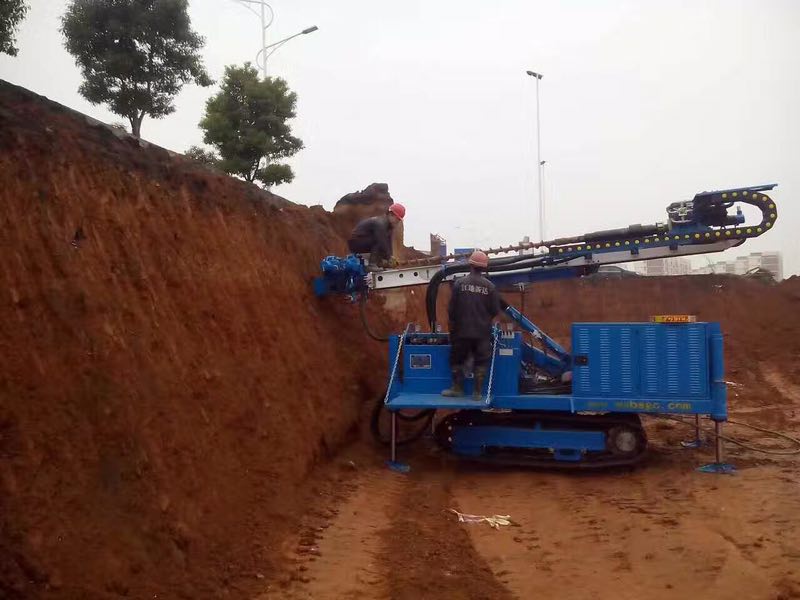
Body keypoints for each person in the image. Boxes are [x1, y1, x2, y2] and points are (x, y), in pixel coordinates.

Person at [441, 250, 502, 400]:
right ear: (484, 267)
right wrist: (484, 319)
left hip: (461, 332)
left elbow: (452, 309)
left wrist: (455, 323)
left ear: (471, 265)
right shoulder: (490, 287)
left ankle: (457, 389)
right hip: (482, 332)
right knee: (481, 360)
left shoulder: (459, 284)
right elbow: (495, 310)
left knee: (457, 359)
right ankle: (477, 393)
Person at [347, 203, 406, 268]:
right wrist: (389, 257)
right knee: (380, 240)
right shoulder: (380, 223)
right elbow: (382, 241)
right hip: (355, 242)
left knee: (383, 244)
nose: (397, 222)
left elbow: (388, 244)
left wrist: (391, 258)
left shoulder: (389, 227)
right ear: (391, 214)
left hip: (365, 241)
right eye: (397, 219)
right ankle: (372, 264)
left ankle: (378, 262)